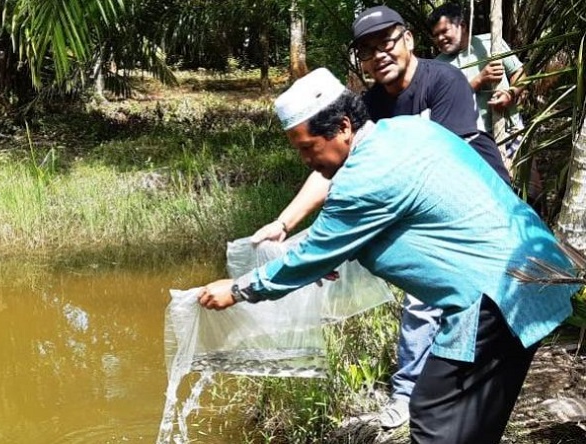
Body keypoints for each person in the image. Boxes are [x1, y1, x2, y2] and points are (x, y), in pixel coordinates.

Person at [197, 67, 580, 444]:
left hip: (495, 298)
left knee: (433, 414)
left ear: (343, 127)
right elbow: (377, 222)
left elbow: (319, 247)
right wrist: (331, 252)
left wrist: (240, 288)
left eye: (307, 148)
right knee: (476, 423)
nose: (306, 161)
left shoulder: (363, 176)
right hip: (535, 271)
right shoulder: (407, 130)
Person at [249, 5, 511, 429]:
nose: (379, 55)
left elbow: (434, 170)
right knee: (424, 303)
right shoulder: (367, 105)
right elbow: (333, 168)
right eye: (366, 50)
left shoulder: (443, 81)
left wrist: (337, 245)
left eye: (386, 42)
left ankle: (418, 397)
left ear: (408, 39)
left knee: (434, 303)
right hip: (413, 212)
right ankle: (419, 396)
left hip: (465, 212)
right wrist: (284, 223)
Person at [427, 2, 525, 170]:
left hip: (510, 131)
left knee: (528, 191)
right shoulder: (436, 67)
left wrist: (511, 93)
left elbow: (520, 73)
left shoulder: (491, 43)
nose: (440, 39)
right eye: (436, 35)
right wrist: (479, 80)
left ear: (462, 26)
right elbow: (444, 103)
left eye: (444, 31)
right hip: (473, 143)